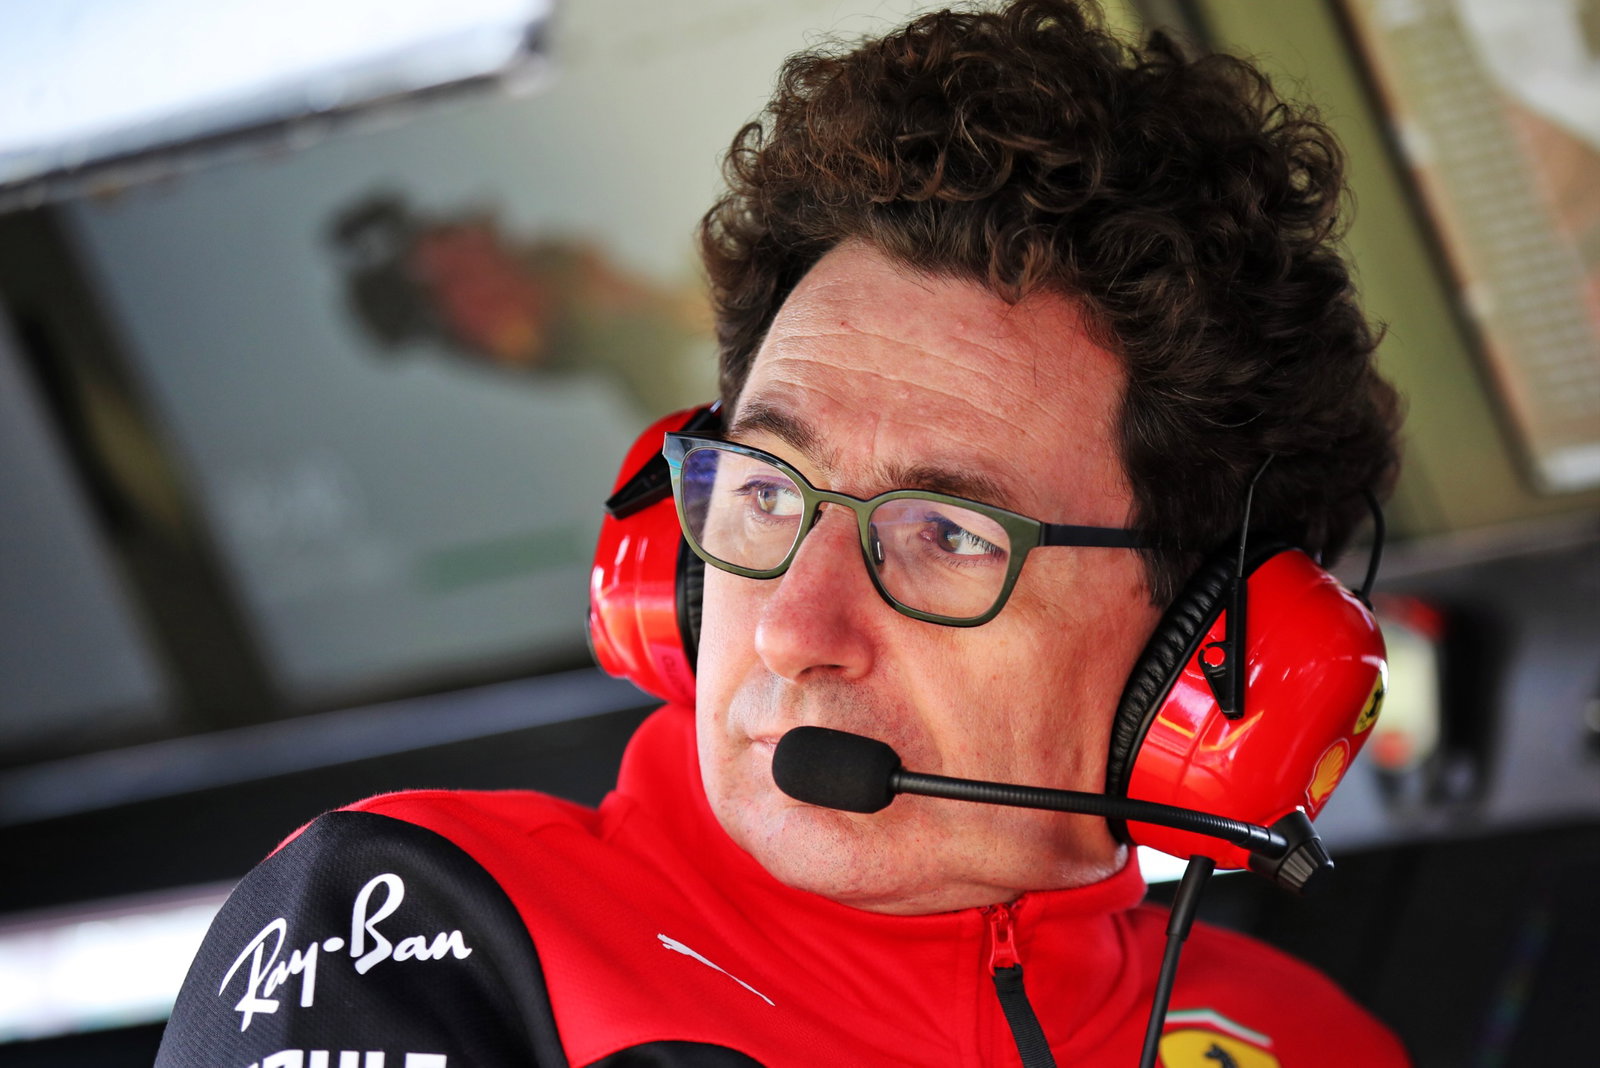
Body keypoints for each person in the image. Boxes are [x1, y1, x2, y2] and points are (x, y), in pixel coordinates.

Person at [155, 2, 1407, 1065]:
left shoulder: (1307, 1043)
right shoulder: (411, 925)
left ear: (1197, 665)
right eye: (764, 491)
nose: (796, 630)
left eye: (942, 534)